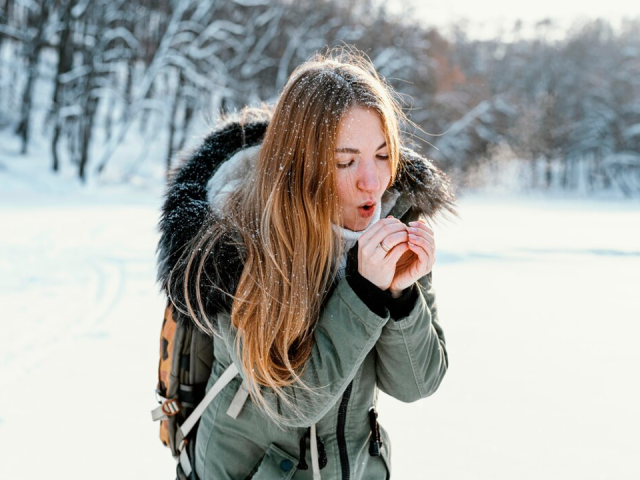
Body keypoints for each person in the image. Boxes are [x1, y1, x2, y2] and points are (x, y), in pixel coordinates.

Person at [157, 48, 456, 480]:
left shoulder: (395, 218)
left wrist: (401, 295)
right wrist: (365, 293)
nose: (371, 181)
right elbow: (288, 401)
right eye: (345, 161)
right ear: (300, 164)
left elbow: (417, 383)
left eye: (383, 154)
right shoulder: (236, 239)